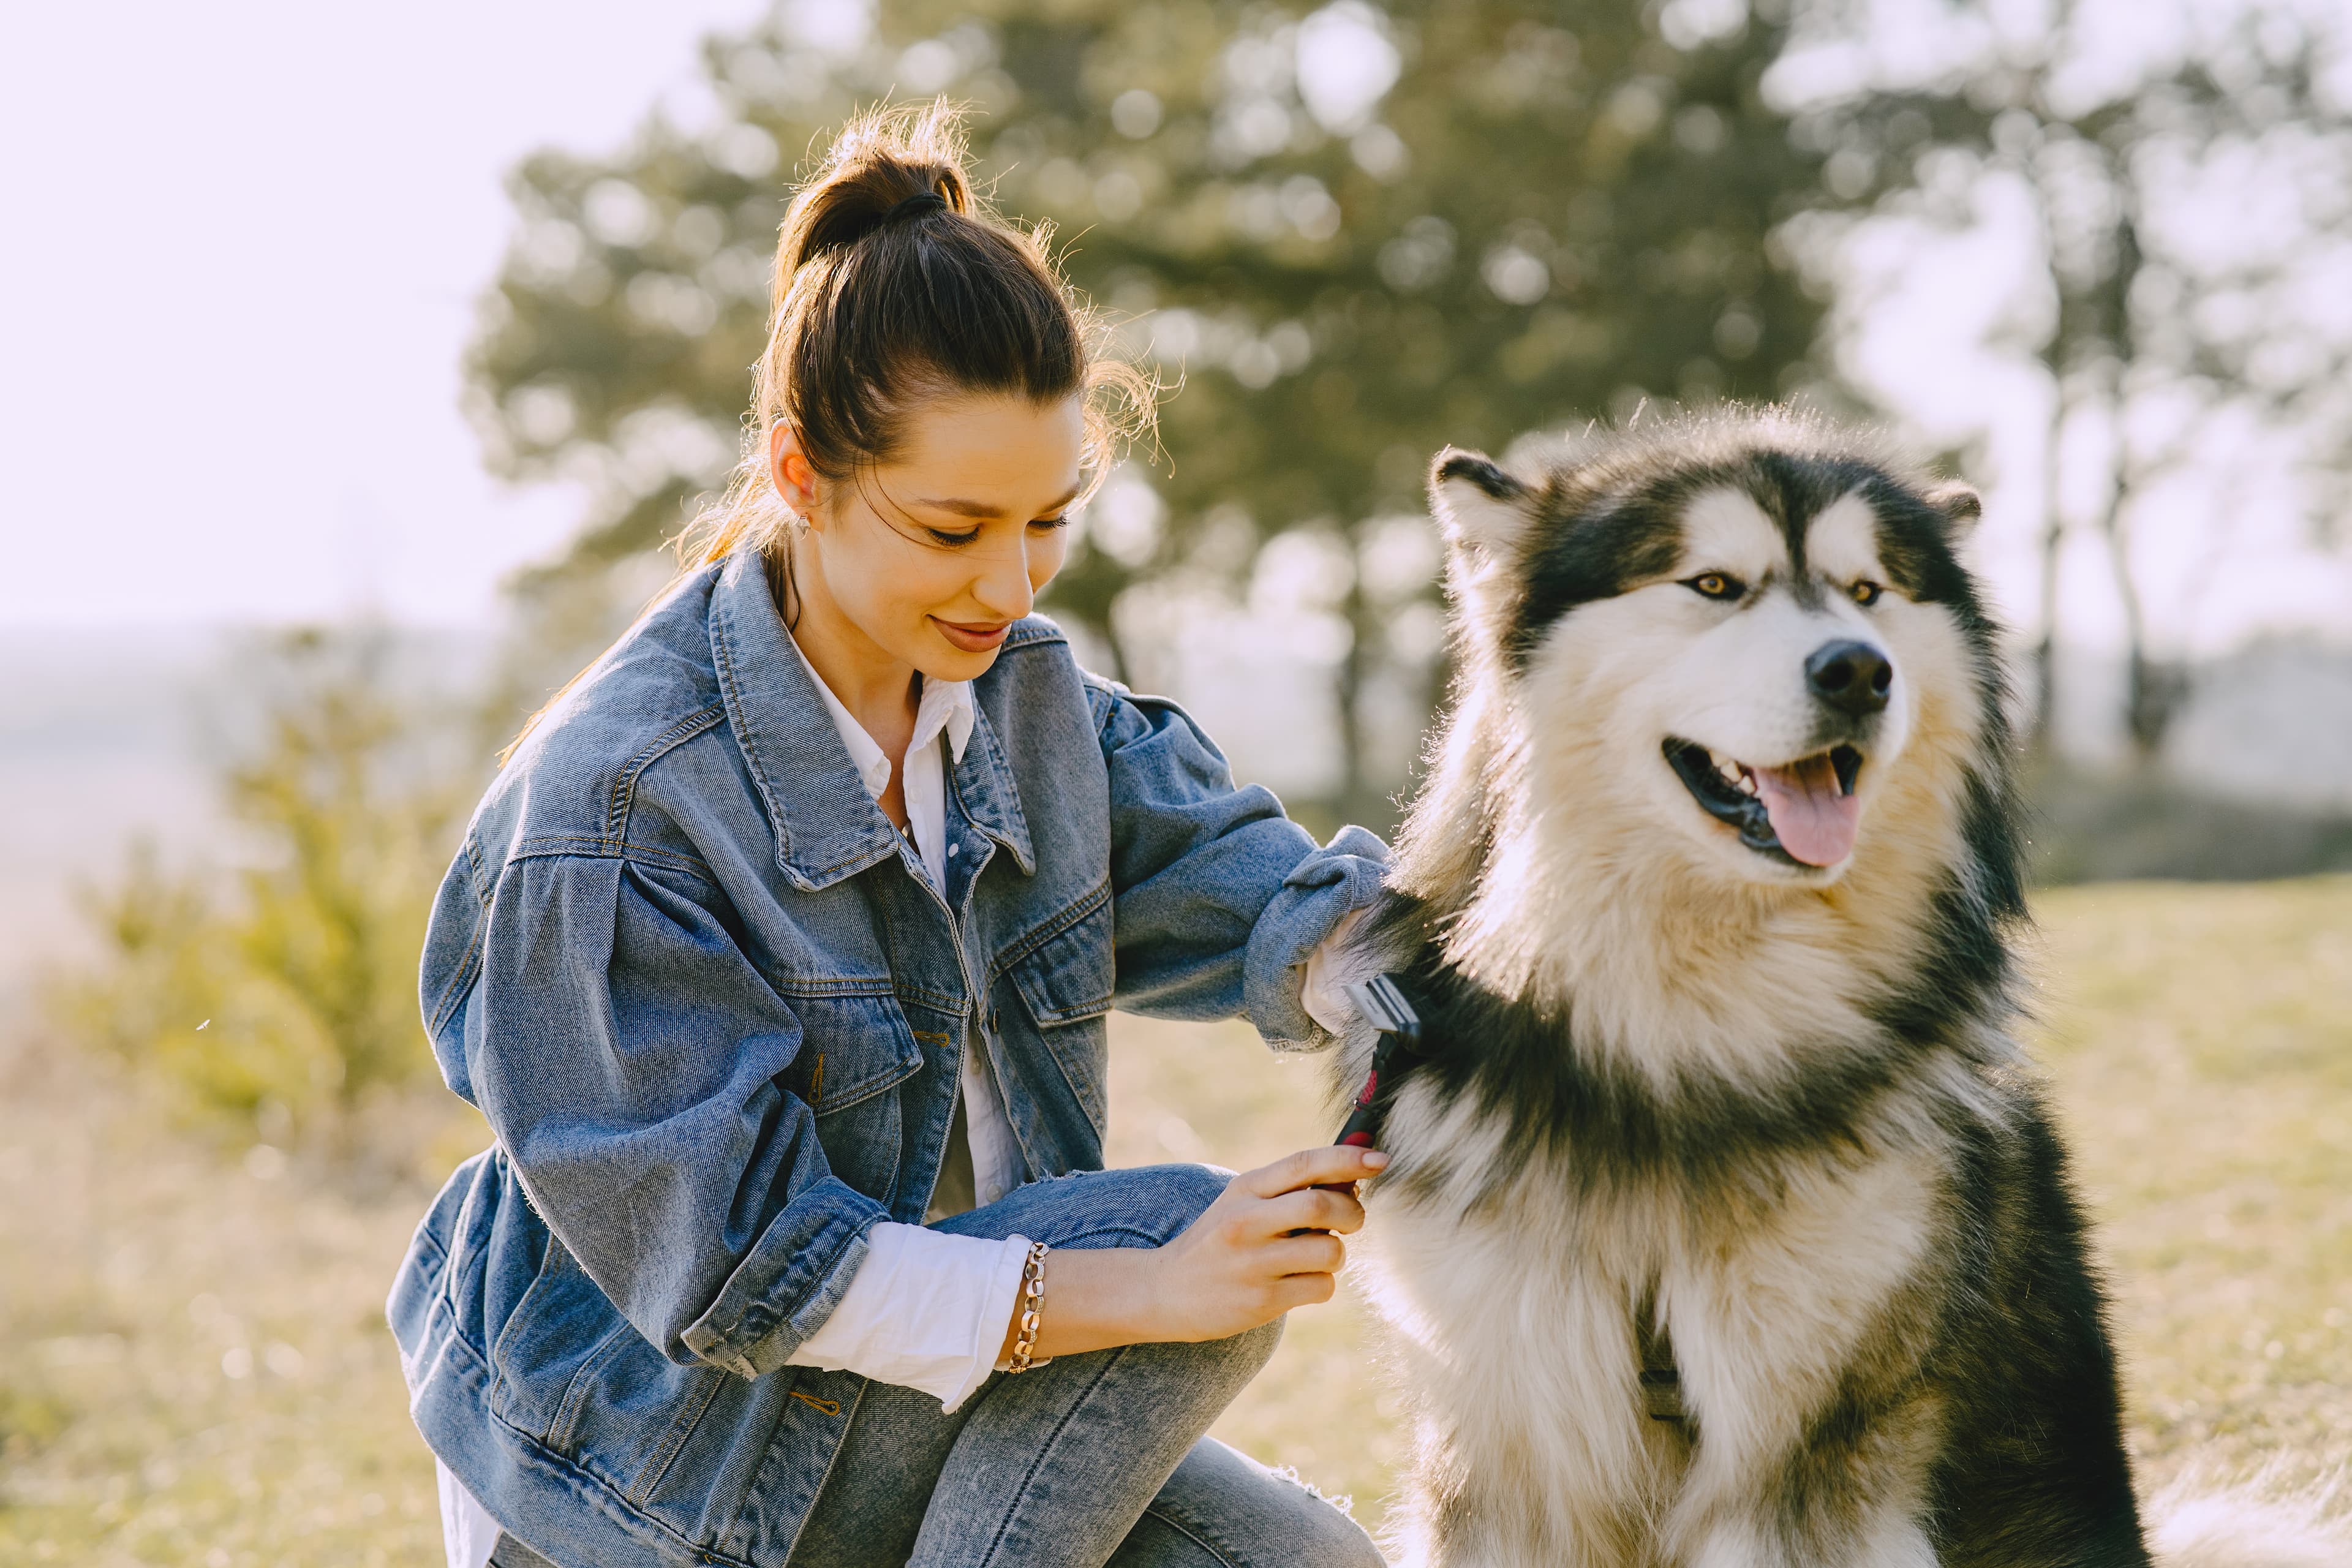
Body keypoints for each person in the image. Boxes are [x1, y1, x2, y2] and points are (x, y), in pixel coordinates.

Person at [388, 104, 1391, 1568]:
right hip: (667, 1470)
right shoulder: (614, 814)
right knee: (1174, 1238)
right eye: (953, 527)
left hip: (945, 1405)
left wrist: (1433, 966)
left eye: (1050, 518)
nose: (1011, 580)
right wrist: (1167, 1285)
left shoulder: (1028, 703)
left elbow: (1263, 901)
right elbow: (754, 1282)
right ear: (800, 475)